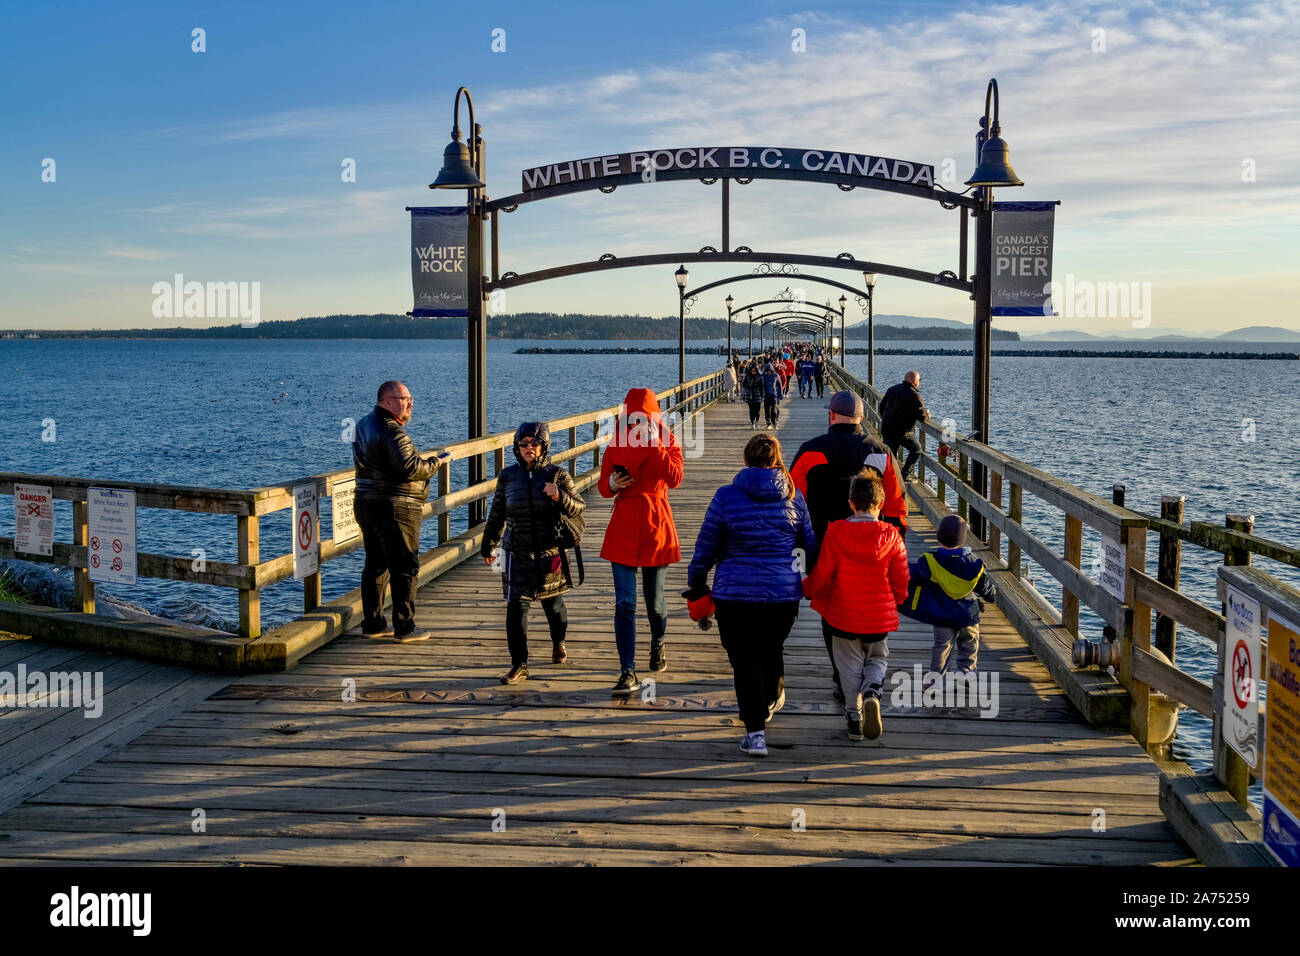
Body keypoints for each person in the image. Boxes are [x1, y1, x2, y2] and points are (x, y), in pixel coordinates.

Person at [688, 433, 816, 757]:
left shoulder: (725, 497)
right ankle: (772, 697)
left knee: (745, 662)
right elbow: (809, 547)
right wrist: (812, 579)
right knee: (771, 648)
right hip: (782, 596)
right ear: (777, 461)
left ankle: (755, 734)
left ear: (745, 460)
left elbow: (705, 547)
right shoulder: (793, 496)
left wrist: (697, 583)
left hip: (735, 595)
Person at [789, 389, 908, 702]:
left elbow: (791, 502)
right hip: (874, 545)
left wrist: (798, 546)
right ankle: (870, 677)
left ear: (831, 415)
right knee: (871, 603)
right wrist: (896, 539)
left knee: (833, 613)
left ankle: (842, 677)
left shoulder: (810, 451)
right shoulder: (881, 451)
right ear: (862, 418)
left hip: (823, 544)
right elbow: (896, 504)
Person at [802, 472, 909, 741]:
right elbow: (902, 577)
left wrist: (806, 589)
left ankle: (853, 718)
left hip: (844, 616)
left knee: (848, 667)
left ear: (851, 503)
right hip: (878, 617)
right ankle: (873, 690)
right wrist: (899, 599)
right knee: (877, 658)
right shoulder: (892, 535)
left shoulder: (836, 531)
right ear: (881, 504)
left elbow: (823, 572)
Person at [480, 422, 586, 684]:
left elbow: (578, 508)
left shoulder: (558, 475)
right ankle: (519, 664)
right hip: (516, 551)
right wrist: (488, 543)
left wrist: (559, 496)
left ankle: (558, 642)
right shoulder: (507, 476)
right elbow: (496, 513)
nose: (529, 448)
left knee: (554, 606)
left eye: (534, 444)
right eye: (523, 444)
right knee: (516, 608)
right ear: (517, 447)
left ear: (544, 446)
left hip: (550, 552)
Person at [599, 387, 684, 695]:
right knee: (624, 603)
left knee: (655, 601)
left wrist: (654, 444)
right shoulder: (616, 443)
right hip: (624, 524)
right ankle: (627, 670)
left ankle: (658, 643)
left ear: (653, 416)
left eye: (642, 417)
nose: (635, 422)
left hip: (655, 524)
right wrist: (611, 483)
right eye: (631, 417)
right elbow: (603, 487)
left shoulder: (668, 440)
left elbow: (674, 478)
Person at [353, 380, 450, 643]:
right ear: (386, 400)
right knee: (405, 565)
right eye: (405, 398)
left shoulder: (362, 425)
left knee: (376, 564)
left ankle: (373, 623)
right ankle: (405, 627)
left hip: (366, 502)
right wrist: (436, 462)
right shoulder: (392, 430)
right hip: (396, 506)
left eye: (410, 398)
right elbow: (409, 468)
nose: (410, 403)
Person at [901, 515, 997, 678]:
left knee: (942, 647)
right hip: (969, 615)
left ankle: (936, 679)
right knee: (969, 645)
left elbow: (912, 572)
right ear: (964, 539)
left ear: (939, 537)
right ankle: (967, 674)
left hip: (941, 615)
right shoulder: (975, 564)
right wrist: (991, 596)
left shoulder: (931, 562)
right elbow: (987, 589)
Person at [879, 371, 930, 480]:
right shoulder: (915, 395)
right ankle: (903, 475)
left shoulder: (892, 389)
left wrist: (887, 420)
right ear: (914, 381)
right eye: (919, 380)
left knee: (890, 455)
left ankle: (888, 479)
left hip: (887, 428)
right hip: (902, 432)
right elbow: (923, 418)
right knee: (916, 449)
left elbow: (881, 407)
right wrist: (928, 415)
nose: (919, 382)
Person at [741, 362, 764, 429]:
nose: (753, 372)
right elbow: (744, 386)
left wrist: (762, 396)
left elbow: (762, 387)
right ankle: (752, 423)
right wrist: (743, 395)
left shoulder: (760, 377)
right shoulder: (747, 376)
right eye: (752, 370)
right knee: (751, 410)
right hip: (750, 395)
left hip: (758, 395)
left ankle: (757, 421)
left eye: (755, 370)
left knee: (757, 411)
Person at [761, 361, 784, 428]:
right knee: (766, 410)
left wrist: (781, 394)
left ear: (772, 370)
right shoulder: (763, 376)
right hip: (766, 395)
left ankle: (774, 423)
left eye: (769, 370)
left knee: (773, 410)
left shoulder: (776, 375)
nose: (768, 372)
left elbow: (780, 385)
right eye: (767, 370)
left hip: (774, 395)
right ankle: (768, 423)